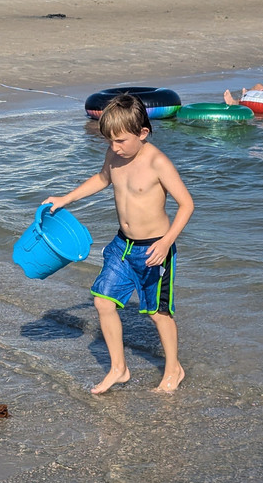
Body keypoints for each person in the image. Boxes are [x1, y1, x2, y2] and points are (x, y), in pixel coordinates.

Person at [43, 94, 194, 395]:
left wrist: (166, 243)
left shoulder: (157, 162)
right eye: (109, 141)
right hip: (122, 246)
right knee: (102, 301)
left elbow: (187, 204)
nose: (114, 147)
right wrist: (65, 199)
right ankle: (119, 368)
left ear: (143, 134)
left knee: (158, 313)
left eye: (122, 141)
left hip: (154, 249)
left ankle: (173, 369)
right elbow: (101, 179)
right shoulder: (115, 156)